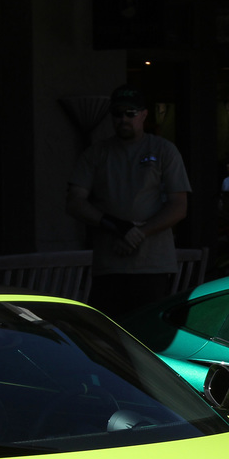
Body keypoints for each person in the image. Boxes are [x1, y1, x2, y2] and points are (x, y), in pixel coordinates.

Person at [65, 84, 191, 317]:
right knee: (109, 338)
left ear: (143, 114)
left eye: (130, 113)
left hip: (152, 266)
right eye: (117, 113)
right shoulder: (96, 153)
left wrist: (139, 233)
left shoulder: (164, 150)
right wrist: (116, 226)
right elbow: (75, 201)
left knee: (148, 335)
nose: (123, 119)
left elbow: (179, 206)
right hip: (109, 266)